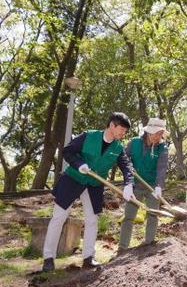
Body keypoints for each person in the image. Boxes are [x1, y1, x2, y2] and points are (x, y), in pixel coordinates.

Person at [42, 112, 134, 271]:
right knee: (59, 217)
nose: (123, 134)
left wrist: (128, 184)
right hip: (73, 179)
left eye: (125, 131)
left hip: (94, 185)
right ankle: (48, 258)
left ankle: (88, 258)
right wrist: (79, 164)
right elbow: (68, 151)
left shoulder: (118, 148)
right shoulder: (88, 136)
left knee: (92, 220)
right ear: (112, 125)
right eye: (122, 130)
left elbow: (127, 167)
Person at [118, 118, 169, 251]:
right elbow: (123, 158)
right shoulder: (134, 143)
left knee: (153, 215)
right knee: (129, 217)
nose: (157, 137)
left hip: (152, 186)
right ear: (148, 132)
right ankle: (122, 247)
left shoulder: (162, 148)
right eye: (155, 133)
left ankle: (148, 244)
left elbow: (161, 168)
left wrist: (158, 186)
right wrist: (129, 170)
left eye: (160, 134)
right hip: (134, 185)